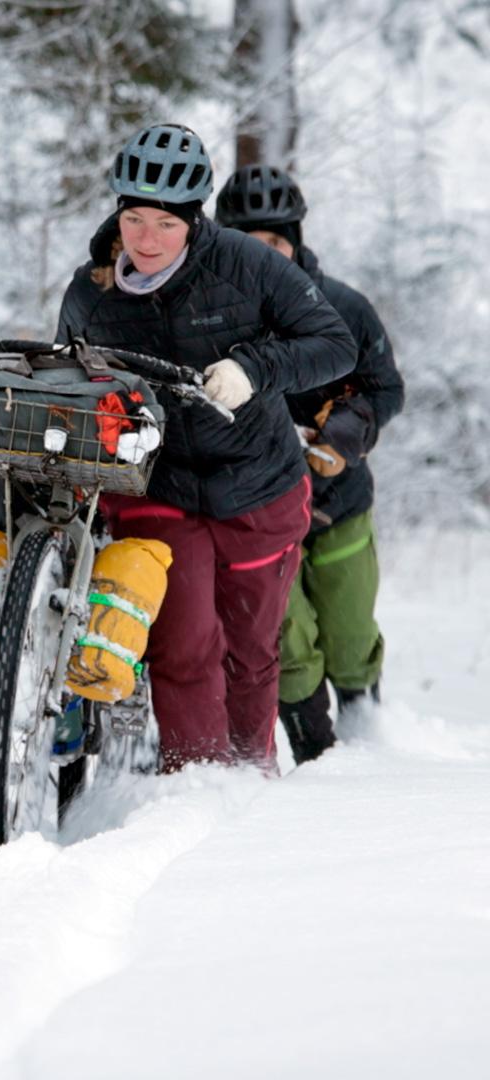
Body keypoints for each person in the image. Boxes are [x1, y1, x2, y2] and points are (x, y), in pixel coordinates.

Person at [54, 124, 357, 773]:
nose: (146, 238)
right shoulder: (93, 291)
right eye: (133, 218)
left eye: (165, 223)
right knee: (184, 644)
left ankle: (250, 779)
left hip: (259, 483)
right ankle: (194, 781)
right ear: (117, 213)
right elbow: (74, 385)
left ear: (193, 219)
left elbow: (333, 343)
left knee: (249, 647)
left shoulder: (247, 266)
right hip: (159, 487)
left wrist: (254, 369)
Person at [215, 164, 405, 765]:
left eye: (274, 241)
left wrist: (345, 432)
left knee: (349, 637)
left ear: (295, 241)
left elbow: (385, 388)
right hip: (259, 503)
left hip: (339, 499)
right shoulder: (215, 315)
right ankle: (319, 760)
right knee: (288, 641)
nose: (263, 255)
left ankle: (367, 741)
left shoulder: (344, 307)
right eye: (247, 243)